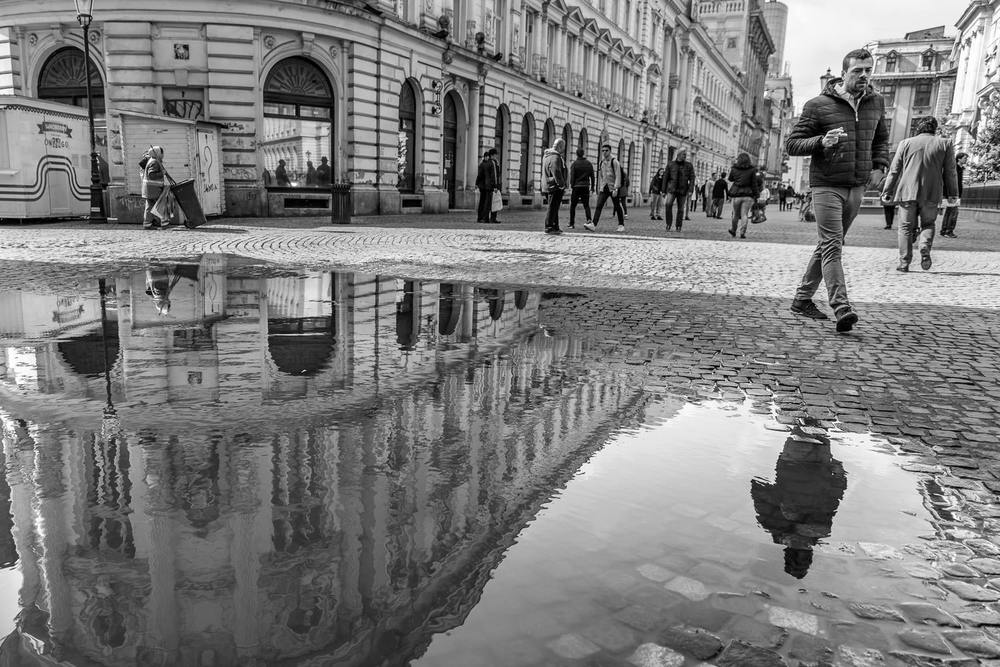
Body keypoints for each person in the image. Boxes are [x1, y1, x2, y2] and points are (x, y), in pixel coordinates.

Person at [786, 48, 889, 333]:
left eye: (868, 70)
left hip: (856, 185)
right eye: (858, 70)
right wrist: (821, 141)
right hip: (826, 183)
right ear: (843, 74)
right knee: (833, 244)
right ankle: (842, 306)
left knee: (829, 244)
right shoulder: (817, 105)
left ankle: (802, 299)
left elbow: (881, 139)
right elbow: (792, 144)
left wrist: (880, 165)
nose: (864, 75)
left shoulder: (876, 103)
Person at [751, 424, 847, 579]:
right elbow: (758, 490)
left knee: (811, 429)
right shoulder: (776, 526)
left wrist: (839, 476)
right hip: (798, 465)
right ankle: (809, 420)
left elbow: (832, 499)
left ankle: (809, 420)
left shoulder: (779, 526)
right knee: (812, 429)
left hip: (807, 465)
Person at [881, 116, 959, 272]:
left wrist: (887, 191)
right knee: (928, 224)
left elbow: (894, 170)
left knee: (905, 227)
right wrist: (952, 193)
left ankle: (904, 263)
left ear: (919, 127)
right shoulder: (945, 143)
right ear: (934, 128)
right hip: (932, 191)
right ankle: (924, 246)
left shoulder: (905, 143)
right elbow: (950, 172)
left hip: (907, 191)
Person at [584, 144, 625, 232]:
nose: (604, 152)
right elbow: (601, 176)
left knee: (617, 206)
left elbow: (618, 175)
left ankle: (621, 225)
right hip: (604, 187)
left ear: (610, 151)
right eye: (603, 150)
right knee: (599, 206)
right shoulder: (602, 162)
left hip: (613, 188)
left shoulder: (614, 161)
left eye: (606, 150)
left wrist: (616, 188)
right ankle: (593, 225)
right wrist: (600, 187)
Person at [139, 145, 174, 230]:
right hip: (154, 189)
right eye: (162, 153)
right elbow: (151, 175)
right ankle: (164, 223)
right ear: (158, 153)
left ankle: (147, 224)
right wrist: (162, 172)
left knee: (149, 207)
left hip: (148, 189)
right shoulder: (154, 162)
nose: (163, 155)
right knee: (162, 204)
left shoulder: (152, 160)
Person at [661, 149, 696, 231]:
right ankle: (668, 224)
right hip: (671, 189)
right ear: (679, 154)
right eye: (684, 154)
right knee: (668, 205)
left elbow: (692, 178)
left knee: (680, 209)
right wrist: (663, 190)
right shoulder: (671, 164)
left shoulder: (689, 165)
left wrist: (691, 190)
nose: (685, 156)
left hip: (683, 190)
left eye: (685, 154)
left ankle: (678, 226)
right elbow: (665, 178)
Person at [727, 153, 758, 238]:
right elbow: (754, 184)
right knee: (744, 214)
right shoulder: (752, 170)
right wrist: (756, 195)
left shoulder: (734, 168)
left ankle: (733, 230)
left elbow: (730, 179)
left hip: (737, 194)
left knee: (735, 214)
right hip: (748, 194)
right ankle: (742, 232)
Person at [542, 138, 567, 235]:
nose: (563, 150)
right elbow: (556, 172)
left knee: (554, 207)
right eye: (563, 148)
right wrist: (561, 185)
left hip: (548, 185)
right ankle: (548, 226)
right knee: (552, 207)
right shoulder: (555, 157)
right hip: (554, 186)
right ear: (560, 147)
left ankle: (555, 226)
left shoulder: (547, 156)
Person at [940, 151, 967, 238]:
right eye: (965, 158)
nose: (966, 160)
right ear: (959, 158)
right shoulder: (955, 168)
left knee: (949, 212)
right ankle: (948, 231)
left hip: (954, 193)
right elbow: (950, 181)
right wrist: (950, 194)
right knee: (953, 212)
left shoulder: (959, 168)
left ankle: (944, 230)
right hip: (953, 193)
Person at [569, 148, 595, 229]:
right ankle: (589, 220)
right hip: (585, 186)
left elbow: (572, 176)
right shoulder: (588, 164)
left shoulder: (574, 164)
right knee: (586, 205)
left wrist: (572, 185)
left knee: (573, 206)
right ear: (583, 153)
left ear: (576, 154)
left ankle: (571, 223)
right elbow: (592, 176)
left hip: (576, 187)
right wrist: (592, 187)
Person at [476, 148, 500, 224]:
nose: (496, 156)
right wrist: (495, 186)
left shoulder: (486, 163)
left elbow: (481, 175)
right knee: (493, 202)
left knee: (486, 202)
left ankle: (484, 218)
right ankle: (491, 218)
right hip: (491, 186)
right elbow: (494, 176)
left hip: (486, 185)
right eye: (496, 154)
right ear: (493, 155)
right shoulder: (493, 163)